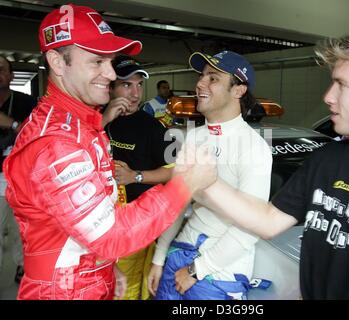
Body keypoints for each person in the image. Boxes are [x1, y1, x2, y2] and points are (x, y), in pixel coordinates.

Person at [194, 23, 349, 299]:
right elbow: (268, 220)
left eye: (342, 85)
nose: (328, 97)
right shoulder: (328, 158)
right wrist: (208, 181)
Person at [2, 4, 215, 300]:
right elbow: (111, 236)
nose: (110, 73)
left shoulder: (83, 124)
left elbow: (89, 222)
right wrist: (184, 185)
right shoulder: (56, 142)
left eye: (110, 61)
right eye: (97, 61)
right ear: (57, 62)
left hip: (85, 278)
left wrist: (104, 266)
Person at [147, 50, 272, 300]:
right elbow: (179, 203)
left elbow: (250, 227)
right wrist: (160, 258)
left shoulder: (253, 147)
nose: (200, 83)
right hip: (179, 253)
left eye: (213, 78)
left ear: (238, 90)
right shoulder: (195, 136)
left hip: (219, 272)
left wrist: (197, 270)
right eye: (202, 76)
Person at [104, 54, 176, 300]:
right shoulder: (97, 119)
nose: (135, 93)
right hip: (97, 221)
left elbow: (174, 171)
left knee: (126, 288)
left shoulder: (155, 127)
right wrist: (103, 120)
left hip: (134, 221)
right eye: (126, 84)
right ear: (110, 87)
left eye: (139, 85)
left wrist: (135, 176)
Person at [0, 55, 37, 284]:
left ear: (12, 76)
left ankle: (23, 267)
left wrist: (12, 123)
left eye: (2, 69)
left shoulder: (27, 103)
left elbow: (35, 133)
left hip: (19, 178)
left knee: (20, 230)